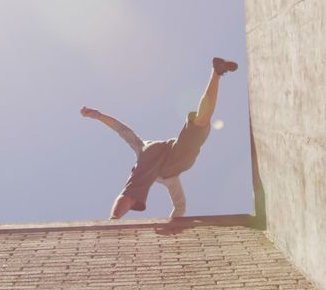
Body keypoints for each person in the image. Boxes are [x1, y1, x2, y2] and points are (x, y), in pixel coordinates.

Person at [80, 57, 238, 220]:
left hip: (167, 152)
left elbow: (122, 129)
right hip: (177, 153)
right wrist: (96, 115)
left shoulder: (148, 160)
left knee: (135, 185)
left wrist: (97, 115)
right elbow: (180, 207)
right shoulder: (170, 179)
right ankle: (216, 72)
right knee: (201, 121)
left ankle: (113, 221)